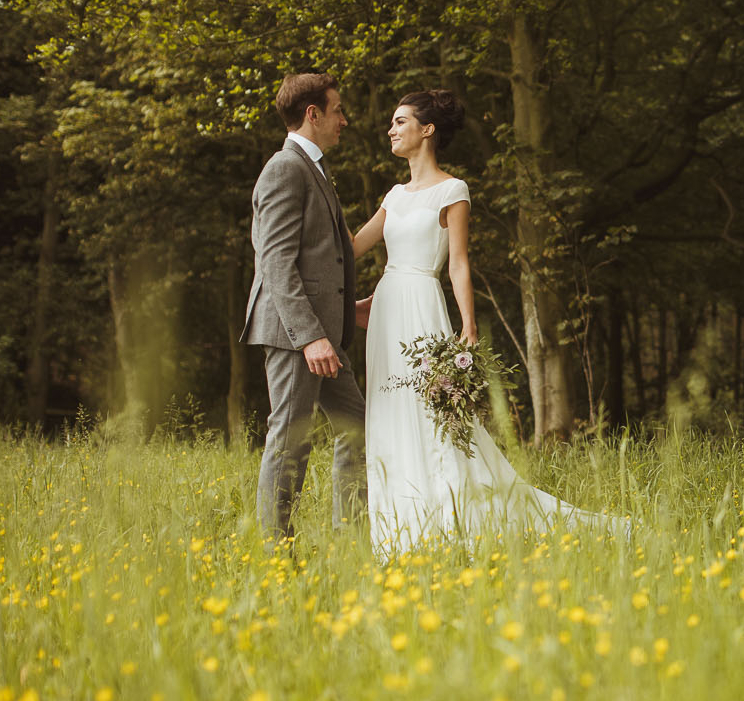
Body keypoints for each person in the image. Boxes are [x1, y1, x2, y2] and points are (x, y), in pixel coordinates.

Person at [353, 89, 621, 553]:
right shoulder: (393, 196)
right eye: (392, 123)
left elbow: (458, 263)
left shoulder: (452, 190)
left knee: (431, 414)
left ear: (427, 130)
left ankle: (449, 521)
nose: (391, 130)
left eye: (400, 121)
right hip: (387, 306)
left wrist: (468, 327)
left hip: (421, 303)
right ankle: (399, 532)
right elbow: (353, 247)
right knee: (389, 412)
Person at [240, 72, 365, 541]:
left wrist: (348, 309)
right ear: (312, 114)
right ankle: (275, 556)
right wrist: (310, 335)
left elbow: (317, 259)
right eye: (337, 111)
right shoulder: (284, 168)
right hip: (296, 337)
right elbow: (276, 262)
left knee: (356, 427)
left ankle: (349, 539)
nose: (343, 120)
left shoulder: (312, 168)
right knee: (290, 441)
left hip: (321, 335)